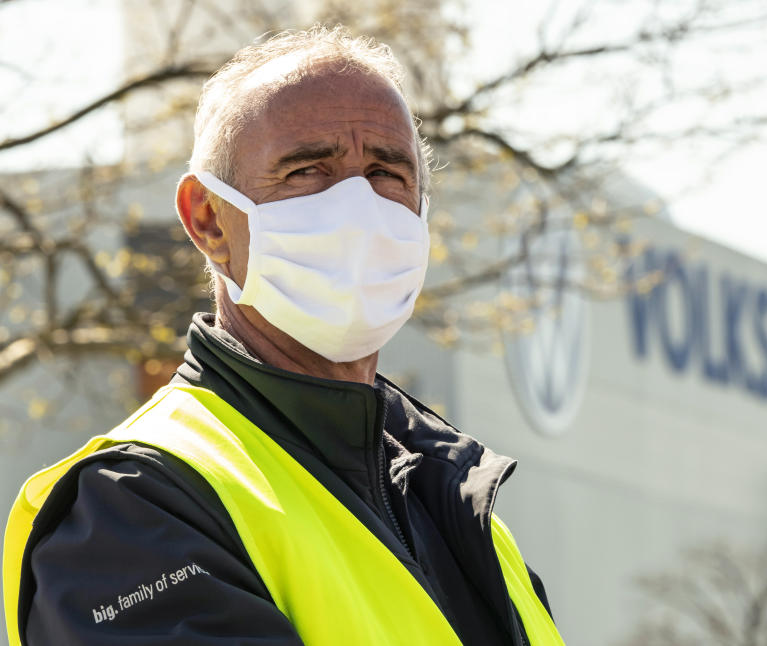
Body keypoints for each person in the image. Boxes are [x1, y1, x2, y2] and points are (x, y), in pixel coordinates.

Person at [2, 25, 563, 646]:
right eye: (307, 171)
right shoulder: (132, 511)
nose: (360, 207)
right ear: (209, 220)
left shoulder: (454, 496)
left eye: (387, 172)